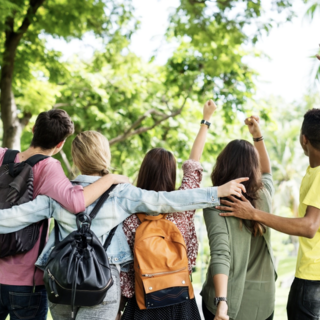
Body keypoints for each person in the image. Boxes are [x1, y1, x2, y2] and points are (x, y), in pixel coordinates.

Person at [0, 129, 247, 320]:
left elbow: (12, 218)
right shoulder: (122, 194)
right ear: (105, 155)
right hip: (103, 285)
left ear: (75, 158)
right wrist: (216, 192)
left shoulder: (58, 193)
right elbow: (167, 200)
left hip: (60, 282)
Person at [0, 110, 127, 320]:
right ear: (60, 144)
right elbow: (76, 202)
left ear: (33, 130)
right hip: (26, 283)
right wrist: (110, 178)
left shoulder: (3, 155)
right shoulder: (49, 167)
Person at [120, 100, 236, 320]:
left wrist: (119, 309)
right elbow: (193, 164)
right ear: (171, 175)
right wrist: (206, 119)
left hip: (142, 304)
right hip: (181, 302)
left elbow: (125, 272)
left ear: (143, 172)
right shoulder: (183, 207)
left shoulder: (129, 213)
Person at [217, 109, 320, 320]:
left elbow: (309, 226)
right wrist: (257, 136)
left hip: (313, 281)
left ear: (304, 139)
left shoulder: (319, 174)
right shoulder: (307, 174)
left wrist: (253, 214)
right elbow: (266, 174)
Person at [201, 115, 276, 320]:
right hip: (262, 303)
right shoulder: (264, 194)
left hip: (228, 304)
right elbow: (267, 171)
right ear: (254, 168)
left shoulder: (216, 202)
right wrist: (257, 136)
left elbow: (220, 254)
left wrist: (221, 302)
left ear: (222, 164)